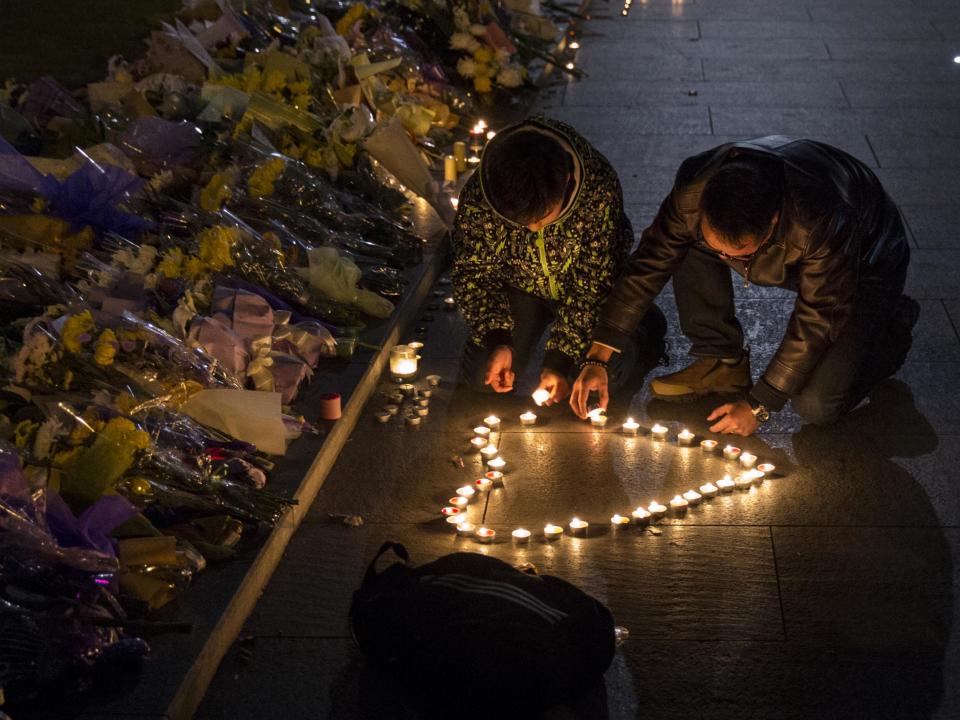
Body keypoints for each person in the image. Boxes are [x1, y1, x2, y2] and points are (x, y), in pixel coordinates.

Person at [571, 135, 917, 435]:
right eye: (717, 245)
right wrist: (599, 357)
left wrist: (759, 405)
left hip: (865, 265)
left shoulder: (822, 219)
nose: (723, 257)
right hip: (804, 252)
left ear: (773, 221)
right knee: (685, 244)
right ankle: (721, 361)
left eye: (736, 252)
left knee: (816, 407)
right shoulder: (695, 189)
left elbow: (817, 317)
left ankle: (891, 328)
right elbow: (648, 263)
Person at [452, 116, 665, 403]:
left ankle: (641, 326)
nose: (533, 229)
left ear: (566, 182)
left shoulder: (598, 188)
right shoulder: (482, 194)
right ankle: (524, 334)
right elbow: (473, 273)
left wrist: (558, 361)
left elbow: (593, 281)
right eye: (522, 223)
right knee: (482, 377)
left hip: (587, 291)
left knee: (603, 379)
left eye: (541, 220)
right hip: (520, 288)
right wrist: (498, 339)